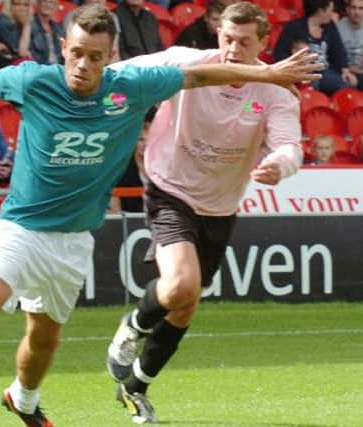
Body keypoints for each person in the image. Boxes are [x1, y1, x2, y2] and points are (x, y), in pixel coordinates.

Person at [0, 5, 320, 427]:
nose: (83, 65)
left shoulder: (131, 89)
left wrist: (271, 81)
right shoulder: (36, 80)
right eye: (76, 53)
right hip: (21, 227)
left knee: (45, 342)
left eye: (95, 56)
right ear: (63, 48)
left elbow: (198, 79)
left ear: (109, 55)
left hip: (76, 239)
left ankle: (23, 399)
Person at [105, 2, 321, 424]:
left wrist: (280, 165)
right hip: (169, 188)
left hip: (220, 206)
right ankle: (133, 325)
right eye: (226, 38)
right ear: (216, 35)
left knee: (185, 306)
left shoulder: (276, 91)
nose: (232, 49)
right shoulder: (187, 63)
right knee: (182, 284)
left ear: (264, 42)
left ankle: (135, 387)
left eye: (243, 41)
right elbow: (126, 72)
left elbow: (289, 145)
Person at [274, 0, 357, 95]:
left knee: (348, 84)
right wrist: (296, 68)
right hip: (303, 72)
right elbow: (280, 53)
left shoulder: (330, 26)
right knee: (312, 84)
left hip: (326, 71)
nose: (332, 14)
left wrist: (345, 70)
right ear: (321, 11)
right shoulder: (293, 27)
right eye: (330, 11)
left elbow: (338, 50)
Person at [0, 0, 33, 68]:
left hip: (11, 66)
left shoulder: (20, 21)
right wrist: (27, 25)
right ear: (9, 5)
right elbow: (23, 53)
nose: (22, 8)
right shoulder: (2, 21)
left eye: (26, 5)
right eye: (17, 4)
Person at [337, 0, 363, 89]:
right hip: (344, 71)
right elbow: (336, 60)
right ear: (347, 9)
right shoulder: (337, 28)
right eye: (354, 8)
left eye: (361, 8)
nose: (357, 12)